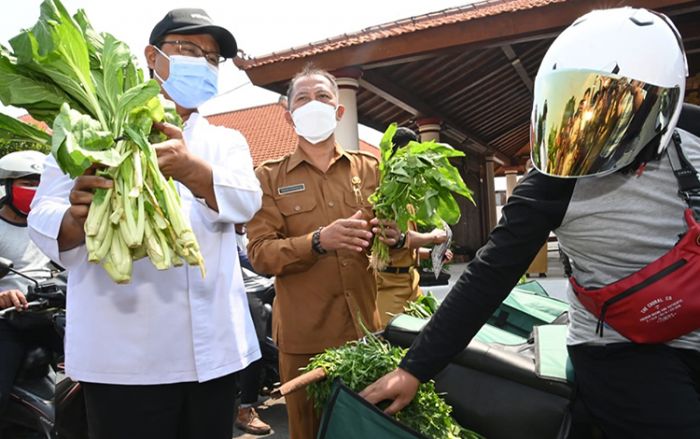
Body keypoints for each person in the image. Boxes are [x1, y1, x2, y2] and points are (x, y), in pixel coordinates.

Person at [361, 7, 700, 438]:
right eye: (570, 106)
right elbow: (490, 273)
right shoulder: (554, 178)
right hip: (619, 344)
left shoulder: (692, 135)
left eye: (611, 110)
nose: (586, 129)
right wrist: (414, 368)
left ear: (663, 104)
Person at [27, 8, 262, 439]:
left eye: (213, 59)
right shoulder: (89, 129)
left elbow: (247, 201)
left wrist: (194, 171)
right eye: (189, 49)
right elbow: (43, 211)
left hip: (214, 354)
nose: (203, 63)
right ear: (152, 56)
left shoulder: (226, 141)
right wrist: (76, 217)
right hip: (122, 361)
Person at [246, 65, 401, 439]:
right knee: (311, 432)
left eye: (323, 97)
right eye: (302, 98)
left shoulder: (371, 169)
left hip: (365, 333)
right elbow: (260, 254)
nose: (313, 104)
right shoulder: (269, 176)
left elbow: (397, 248)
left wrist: (396, 239)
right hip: (304, 342)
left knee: (366, 429)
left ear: (339, 110)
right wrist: (318, 241)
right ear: (288, 113)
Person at [0, 150, 59, 417]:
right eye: (28, 182)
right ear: (6, 186)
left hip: (49, 314)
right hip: (8, 320)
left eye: (40, 183)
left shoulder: (51, 225)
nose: (35, 190)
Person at [375, 127, 451, 326]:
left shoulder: (405, 194)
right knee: (391, 341)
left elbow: (405, 245)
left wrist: (432, 253)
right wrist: (433, 237)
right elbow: (393, 240)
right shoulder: (384, 192)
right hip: (389, 285)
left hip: (411, 280)